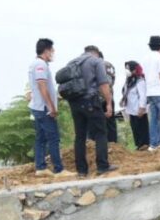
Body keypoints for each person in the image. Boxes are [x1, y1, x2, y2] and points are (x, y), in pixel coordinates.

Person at [63, 45, 116, 175]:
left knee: (80, 136)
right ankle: (102, 166)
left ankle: (81, 170)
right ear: (96, 53)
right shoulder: (96, 61)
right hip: (90, 101)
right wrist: (108, 103)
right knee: (100, 132)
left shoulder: (72, 62)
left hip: (74, 103)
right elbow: (104, 84)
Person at [28, 38, 70, 176]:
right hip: (44, 108)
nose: (53, 53)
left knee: (41, 138)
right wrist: (51, 107)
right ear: (46, 51)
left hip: (38, 107)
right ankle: (59, 169)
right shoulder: (40, 65)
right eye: (52, 50)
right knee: (54, 138)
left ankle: (41, 168)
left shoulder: (37, 64)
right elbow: (42, 86)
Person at [120, 61, 149, 150]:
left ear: (133, 70)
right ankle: (138, 145)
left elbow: (143, 95)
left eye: (128, 69)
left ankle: (145, 144)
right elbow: (126, 92)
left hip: (139, 109)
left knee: (142, 128)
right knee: (135, 128)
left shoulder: (140, 80)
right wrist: (123, 100)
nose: (126, 70)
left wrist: (141, 108)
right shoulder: (129, 80)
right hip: (131, 109)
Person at [99, 51, 118, 143]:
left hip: (98, 98)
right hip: (109, 96)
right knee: (110, 123)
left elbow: (107, 82)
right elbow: (111, 82)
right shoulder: (109, 65)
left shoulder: (100, 65)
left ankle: (99, 144)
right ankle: (112, 143)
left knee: (97, 123)